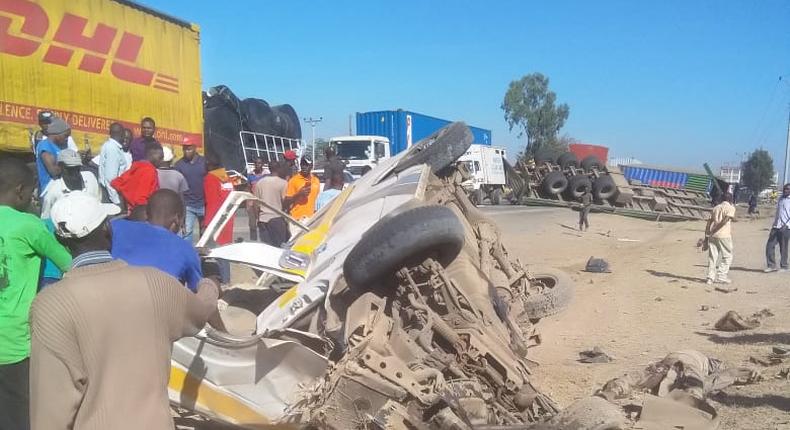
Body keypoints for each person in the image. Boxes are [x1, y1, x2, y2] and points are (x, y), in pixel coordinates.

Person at [29, 192, 219, 430]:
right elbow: (202, 309)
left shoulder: (49, 305)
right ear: (108, 229)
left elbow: (50, 410)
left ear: (60, 239)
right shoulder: (155, 283)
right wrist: (210, 283)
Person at [0, 158, 71, 430]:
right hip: (15, 342)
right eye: (31, 195)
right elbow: (69, 264)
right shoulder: (30, 225)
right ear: (20, 192)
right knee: (18, 415)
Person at [110, 189, 202, 291]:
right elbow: (197, 290)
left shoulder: (116, 227)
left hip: (110, 292)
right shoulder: (186, 249)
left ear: (147, 213)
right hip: (153, 302)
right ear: (177, 219)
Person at [40, 149, 101, 218]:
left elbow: (98, 203)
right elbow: (46, 219)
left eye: (77, 169)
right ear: (60, 167)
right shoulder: (53, 192)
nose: (75, 173)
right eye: (70, 170)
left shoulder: (90, 178)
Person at [204, 158, 234, 283]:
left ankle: (223, 279)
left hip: (216, 218)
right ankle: (227, 279)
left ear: (209, 165)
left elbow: (211, 201)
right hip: (228, 217)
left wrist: (207, 222)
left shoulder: (210, 178)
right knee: (225, 249)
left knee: (213, 249)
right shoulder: (227, 178)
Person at [254, 161, 297, 247]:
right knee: (279, 248)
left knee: (266, 248)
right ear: (279, 169)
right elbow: (285, 204)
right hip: (277, 219)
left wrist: (257, 219)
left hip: (262, 220)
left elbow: (256, 204)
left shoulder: (259, 183)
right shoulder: (283, 183)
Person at [111, 143, 162, 211]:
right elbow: (141, 198)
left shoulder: (137, 166)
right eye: (160, 157)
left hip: (130, 210)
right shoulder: (149, 171)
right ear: (151, 155)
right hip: (140, 213)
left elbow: (116, 182)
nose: (162, 160)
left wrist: (126, 195)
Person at [175, 139, 207, 242]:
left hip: (204, 204)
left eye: (189, 149)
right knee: (187, 232)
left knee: (205, 232)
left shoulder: (204, 162)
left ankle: (202, 256)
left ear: (194, 148)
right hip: (188, 205)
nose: (186, 152)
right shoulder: (179, 165)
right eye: (184, 149)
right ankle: (188, 256)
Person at [35, 117, 71, 195]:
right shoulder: (45, 147)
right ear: (56, 133)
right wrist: (70, 163)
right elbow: (54, 171)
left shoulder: (61, 146)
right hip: (50, 191)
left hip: (62, 188)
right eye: (65, 136)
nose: (67, 139)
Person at [705, 192, 735, 284]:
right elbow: (725, 221)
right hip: (724, 235)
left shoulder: (715, 208)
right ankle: (722, 276)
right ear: (730, 199)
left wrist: (707, 237)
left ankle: (710, 278)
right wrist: (715, 229)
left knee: (712, 257)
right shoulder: (731, 208)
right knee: (727, 256)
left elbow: (708, 223)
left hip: (713, 236)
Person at [98, 122, 131, 205]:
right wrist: (116, 201)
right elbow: (110, 179)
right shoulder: (112, 149)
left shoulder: (109, 146)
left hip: (110, 192)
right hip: (111, 195)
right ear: (122, 134)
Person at [765, 183, 790, 272]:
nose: (785, 190)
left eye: (787, 189)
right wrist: (774, 224)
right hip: (776, 226)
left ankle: (784, 266)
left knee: (783, 247)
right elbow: (778, 213)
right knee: (769, 246)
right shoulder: (780, 199)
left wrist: (786, 225)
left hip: (786, 227)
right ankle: (771, 265)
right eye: (785, 189)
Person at [286, 156, 320, 221]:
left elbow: (316, 200)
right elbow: (286, 202)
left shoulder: (316, 180)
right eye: (302, 164)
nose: (304, 166)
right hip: (297, 219)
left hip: (311, 219)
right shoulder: (293, 180)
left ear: (311, 166)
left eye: (306, 164)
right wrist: (299, 194)